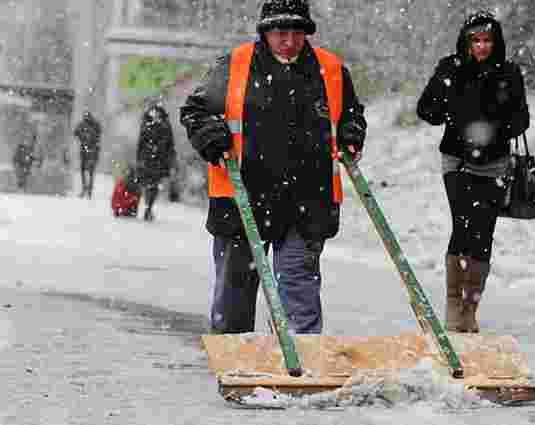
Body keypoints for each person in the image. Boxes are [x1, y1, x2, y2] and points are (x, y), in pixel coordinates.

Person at [180, 0, 367, 334]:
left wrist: (352, 133)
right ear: (265, 32)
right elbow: (196, 111)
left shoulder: (331, 69)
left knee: (298, 289)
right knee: (234, 293)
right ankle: (235, 363)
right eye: (281, 32)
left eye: (297, 32)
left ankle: (301, 365)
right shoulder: (235, 64)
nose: (289, 40)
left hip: (307, 198)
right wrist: (211, 135)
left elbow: (351, 114)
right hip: (241, 196)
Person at [417, 11, 530, 333]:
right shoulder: (451, 68)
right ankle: (454, 304)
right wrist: (452, 104)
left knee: (483, 235)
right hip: (457, 160)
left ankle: (471, 306)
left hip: (494, 162)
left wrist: (494, 122)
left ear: (496, 43)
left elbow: (522, 120)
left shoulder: (509, 72)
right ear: (466, 43)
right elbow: (427, 110)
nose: (481, 47)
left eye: (487, 41)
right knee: (463, 227)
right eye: (475, 40)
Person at [136, 104, 176, 221]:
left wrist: (139, 158)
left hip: (151, 159)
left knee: (150, 184)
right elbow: (170, 144)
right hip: (157, 159)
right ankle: (149, 207)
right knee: (153, 185)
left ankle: (148, 207)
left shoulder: (147, 124)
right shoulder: (164, 124)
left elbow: (141, 143)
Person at [73, 111, 102, 199]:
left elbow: (76, 133)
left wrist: (83, 137)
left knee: (88, 171)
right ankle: (87, 189)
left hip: (90, 150)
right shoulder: (90, 125)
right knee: (88, 171)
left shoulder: (87, 125)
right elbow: (76, 133)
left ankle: (87, 189)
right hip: (89, 150)